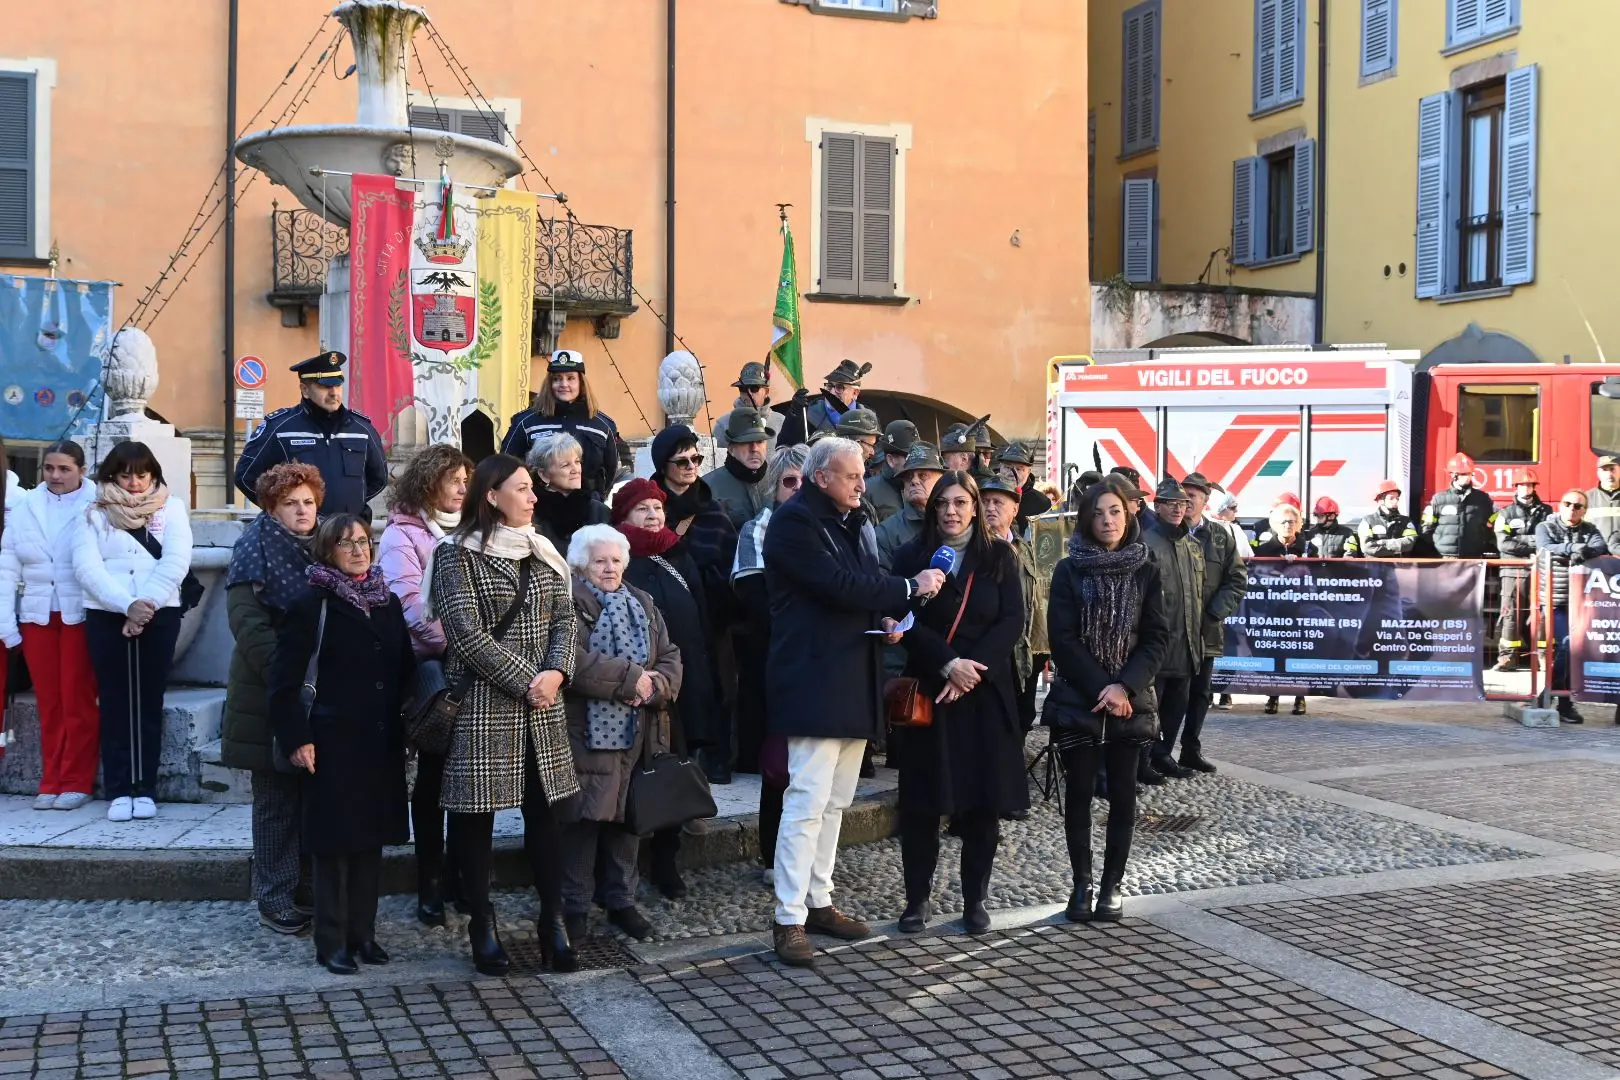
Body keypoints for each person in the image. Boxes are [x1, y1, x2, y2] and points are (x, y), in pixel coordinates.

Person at [764, 436, 944, 966]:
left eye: (863, 476)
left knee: (837, 799)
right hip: (814, 678)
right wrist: (908, 589)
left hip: (853, 676)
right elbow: (838, 585)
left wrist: (886, 616)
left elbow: (862, 586)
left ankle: (819, 900)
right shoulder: (795, 523)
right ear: (822, 477)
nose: (862, 485)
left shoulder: (853, 521)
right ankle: (788, 917)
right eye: (851, 476)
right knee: (806, 801)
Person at [428, 454, 579, 976]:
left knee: (549, 818)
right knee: (475, 820)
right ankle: (481, 923)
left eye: (533, 488)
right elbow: (466, 636)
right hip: (485, 705)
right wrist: (528, 681)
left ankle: (552, 921)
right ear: (491, 495)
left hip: (544, 707)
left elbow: (565, 619)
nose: (534, 497)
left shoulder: (543, 551)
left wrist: (556, 673)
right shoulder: (455, 555)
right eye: (522, 488)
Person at [269, 514, 413, 975]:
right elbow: (284, 681)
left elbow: (403, 666)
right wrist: (298, 738)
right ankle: (331, 940)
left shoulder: (386, 601)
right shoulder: (311, 603)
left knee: (370, 842)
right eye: (346, 544)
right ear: (326, 550)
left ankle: (363, 934)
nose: (358, 551)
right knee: (333, 846)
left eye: (363, 542)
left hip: (380, 739)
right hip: (332, 739)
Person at [891, 472, 1026, 935]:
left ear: (974, 507)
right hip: (932, 688)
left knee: (980, 803)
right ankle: (917, 899)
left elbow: (1012, 621)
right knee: (922, 804)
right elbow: (903, 622)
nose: (951, 510)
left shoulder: (1000, 557)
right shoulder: (912, 556)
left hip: (984, 692)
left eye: (961, 502)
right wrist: (948, 663)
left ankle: (976, 899)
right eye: (943, 502)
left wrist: (970, 671)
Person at [1046, 478, 1169, 923]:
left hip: (1129, 701)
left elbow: (1156, 637)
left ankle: (1111, 885)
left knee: (1122, 794)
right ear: (1085, 518)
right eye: (1098, 513)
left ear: (1129, 514)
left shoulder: (1147, 567)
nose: (1107, 520)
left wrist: (1125, 687)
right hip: (1081, 698)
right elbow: (1062, 637)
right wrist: (1103, 686)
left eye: (1115, 511)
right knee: (1078, 794)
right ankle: (1081, 883)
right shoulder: (1068, 569)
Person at [559, 524, 684, 944]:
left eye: (615, 560)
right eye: (600, 560)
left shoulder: (643, 602)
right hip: (586, 734)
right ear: (581, 564)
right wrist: (635, 680)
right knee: (584, 821)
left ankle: (621, 902)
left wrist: (656, 687)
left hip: (641, 732)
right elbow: (574, 663)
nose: (609, 568)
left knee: (629, 822)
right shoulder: (567, 602)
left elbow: (670, 656)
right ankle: (573, 907)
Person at [222, 462, 323, 934]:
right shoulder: (253, 547)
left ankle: (304, 887)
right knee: (275, 800)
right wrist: (288, 677)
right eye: (290, 503)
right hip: (268, 691)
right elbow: (247, 622)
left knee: (310, 798)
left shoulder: (326, 545)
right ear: (271, 508)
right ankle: (274, 896)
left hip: (318, 688)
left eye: (307, 501)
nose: (301, 511)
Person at [377, 442, 472, 926]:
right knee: (434, 778)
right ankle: (430, 881)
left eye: (465, 480)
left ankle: (463, 872)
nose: (461, 487)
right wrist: (463, 640)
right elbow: (409, 606)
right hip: (432, 668)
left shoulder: (474, 531)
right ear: (429, 482)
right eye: (453, 479)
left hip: (472, 666)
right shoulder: (403, 536)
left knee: (470, 776)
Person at [73, 442, 193, 823]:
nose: (135, 482)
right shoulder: (93, 512)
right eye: (126, 474)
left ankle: (145, 786)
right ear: (112, 475)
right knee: (114, 700)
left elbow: (176, 560)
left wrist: (144, 607)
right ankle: (119, 788)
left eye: (142, 474)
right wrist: (126, 606)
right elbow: (87, 567)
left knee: (147, 700)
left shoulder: (171, 508)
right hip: (108, 613)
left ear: (153, 474)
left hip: (158, 612)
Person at [611, 478, 718, 899]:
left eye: (657, 508)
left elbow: (700, 620)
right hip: (635, 689)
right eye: (644, 510)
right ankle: (624, 868)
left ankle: (667, 861)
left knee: (673, 771)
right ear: (624, 517)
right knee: (632, 779)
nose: (654, 516)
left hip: (682, 684)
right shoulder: (620, 559)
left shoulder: (678, 556)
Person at [0, 441, 98, 813]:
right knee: (49, 702)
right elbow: (7, 566)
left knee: (78, 700)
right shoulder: (25, 506)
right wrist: (6, 623)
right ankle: (51, 778)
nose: (55, 476)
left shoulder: (97, 503)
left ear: (82, 471)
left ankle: (77, 779)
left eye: (64, 469)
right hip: (37, 617)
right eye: (49, 469)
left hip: (79, 615)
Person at [731, 445, 809, 871]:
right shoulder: (758, 529)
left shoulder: (826, 528)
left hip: (816, 662)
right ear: (774, 487)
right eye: (788, 481)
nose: (796, 490)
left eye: (803, 480)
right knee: (778, 764)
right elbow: (754, 594)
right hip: (775, 657)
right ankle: (770, 854)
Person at [651, 424, 739, 783]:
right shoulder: (650, 508)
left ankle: (715, 758)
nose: (690, 466)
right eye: (682, 459)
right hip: (661, 618)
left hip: (710, 618)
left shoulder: (715, 513)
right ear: (664, 465)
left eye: (696, 458)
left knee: (716, 685)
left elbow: (731, 563)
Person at [234, 351, 388, 519]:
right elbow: (245, 477)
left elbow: (379, 478)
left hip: (348, 534)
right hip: (299, 538)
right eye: (325, 386)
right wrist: (282, 512)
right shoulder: (280, 428)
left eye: (337, 385)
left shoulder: (361, 429)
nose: (334, 393)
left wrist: (351, 504)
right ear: (305, 390)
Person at [1168, 473, 1245, 773]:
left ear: (1205, 500)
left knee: (1201, 692)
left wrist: (1214, 613)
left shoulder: (1220, 536)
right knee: (1173, 692)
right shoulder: (1168, 532)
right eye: (1182, 495)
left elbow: (1236, 580)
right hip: (1174, 631)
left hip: (1206, 630)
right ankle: (1161, 751)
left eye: (1193, 496)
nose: (1187, 502)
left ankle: (1190, 749)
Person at [1140, 480, 1204, 783]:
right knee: (1151, 707)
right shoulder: (1146, 543)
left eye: (1182, 504)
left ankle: (1164, 754)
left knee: (1178, 705)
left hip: (1188, 643)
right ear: (1158, 507)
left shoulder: (1192, 546)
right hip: (1158, 644)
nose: (1178, 508)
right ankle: (1144, 760)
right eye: (1170, 503)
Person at [501, 349, 622, 500]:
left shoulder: (602, 425)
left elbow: (611, 470)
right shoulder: (526, 422)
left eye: (571, 378)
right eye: (557, 379)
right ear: (549, 383)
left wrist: (597, 499)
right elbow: (505, 465)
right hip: (537, 508)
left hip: (587, 508)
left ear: (581, 383)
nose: (563, 384)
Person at [1535, 490, 1608, 724]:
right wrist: (1573, 549)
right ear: (1560, 505)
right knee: (1567, 646)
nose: (1572, 509)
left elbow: (1599, 545)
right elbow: (1547, 546)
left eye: (1578, 506)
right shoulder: (1545, 526)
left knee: (1573, 650)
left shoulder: (1590, 529)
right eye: (1567, 504)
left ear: (1584, 510)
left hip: (1582, 600)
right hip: (1555, 599)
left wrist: (1583, 551)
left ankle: (1553, 696)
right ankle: (1561, 700)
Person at [981, 476, 1042, 735]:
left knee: (1021, 717)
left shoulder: (1024, 548)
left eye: (998, 502)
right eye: (984, 502)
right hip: (988, 652)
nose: (990, 508)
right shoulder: (975, 546)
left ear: (1015, 509)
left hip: (1022, 654)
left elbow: (1034, 600)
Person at [1253, 503, 1309, 716]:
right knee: (1276, 652)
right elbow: (1258, 574)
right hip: (1275, 611)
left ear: (1298, 524)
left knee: (1300, 652)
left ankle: (1300, 697)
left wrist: (1300, 562)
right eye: (1283, 521)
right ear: (1275, 525)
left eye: (1292, 521)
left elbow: (1320, 569)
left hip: (1301, 609)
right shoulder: (1266, 549)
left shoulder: (1307, 547)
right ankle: (1273, 695)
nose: (1288, 525)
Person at [1493, 468, 1549, 672]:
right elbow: (1503, 544)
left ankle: (1544, 656)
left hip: (1540, 569)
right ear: (1516, 488)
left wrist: (1522, 540)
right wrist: (1533, 542)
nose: (1527, 489)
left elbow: (1548, 541)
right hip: (1512, 570)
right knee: (1511, 614)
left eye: (1530, 485)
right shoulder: (1505, 514)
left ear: (1534, 487)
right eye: (1523, 485)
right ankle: (1508, 658)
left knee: (1543, 614)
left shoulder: (1547, 512)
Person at [527, 432, 611, 552]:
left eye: (577, 462)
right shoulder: (530, 513)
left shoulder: (600, 510)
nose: (575, 469)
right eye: (565, 465)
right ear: (543, 474)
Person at [876, 444, 947, 572]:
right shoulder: (887, 532)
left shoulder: (958, 521)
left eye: (923, 476)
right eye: (908, 477)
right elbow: (882, 583)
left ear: (941, 480)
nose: (914, 481)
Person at [702, 409, 773, 530]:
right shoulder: (707, 487)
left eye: (760, 441)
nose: (754, 448)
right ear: (731, 449)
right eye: (746, 442)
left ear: (766, 446)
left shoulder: (782, 481)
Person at [778, 360, 869, 448]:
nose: (832, 392)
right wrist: (795, 414)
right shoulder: (809, 414)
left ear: (855, 393)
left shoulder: (868, 420)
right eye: (829, 386)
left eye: (840, 387)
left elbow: (875, 458)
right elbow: (785, 446)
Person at [1421, 453, 1497, 558]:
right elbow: (1426, 528)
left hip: (1473, 557)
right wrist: (1440, 545)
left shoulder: (1483, 499)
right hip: (1445, 557)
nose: (1468, 477)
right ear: (1453, 475)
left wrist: (1482, 542)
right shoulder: (1438, 499)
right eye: (1464, 474)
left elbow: (1494, 523)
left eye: (1469, 474)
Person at [713, 362, 782, 450]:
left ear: (766, 392)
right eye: (743, 389)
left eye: (754, 388)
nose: (748, 393)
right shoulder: (723, 425)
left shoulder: (781, 423)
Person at [866, 420, 918, 524]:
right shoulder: (866, 490)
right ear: (891, 460)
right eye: (909, 457)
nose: (915, 462)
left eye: (917, 455)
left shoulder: (925, 486)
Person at [1351, 480, 1418, 560]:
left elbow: (1409, 543)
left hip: (1398, 568)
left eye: (1397, 498)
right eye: (1391, 498)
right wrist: (1397, 549)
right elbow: (1367, 547)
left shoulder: (1406, 521)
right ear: (1381, 500)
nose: (1396, 501)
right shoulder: (1367, 521)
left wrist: (1381, 543)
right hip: (1374, 568)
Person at [996, 443, 1052, 533]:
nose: (1012, 473)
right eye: (1007, 467)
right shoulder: (989, 497)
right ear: (1000, 467)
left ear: (1029, 471)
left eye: (1018, 469)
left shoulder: (1041, 503)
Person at [1587, 454, 1620, 556]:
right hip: (1597, 557)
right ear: (1598, 473)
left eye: (1612, 469)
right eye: (1604, 470)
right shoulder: (1587, 498)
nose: (1609, 474)